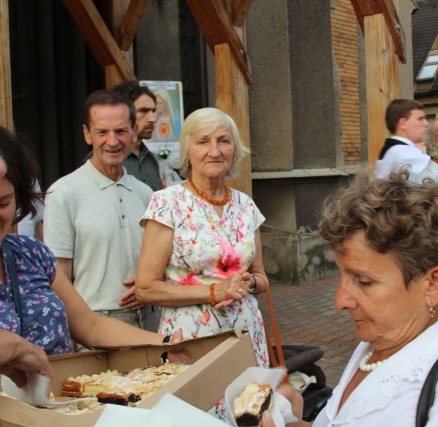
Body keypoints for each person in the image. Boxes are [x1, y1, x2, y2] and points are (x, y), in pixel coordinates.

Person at [265, 170, 438, 426]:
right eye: (343, 276)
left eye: (364, 281)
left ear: (434, 283)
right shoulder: (376, 345)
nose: (340, 302)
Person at [0, 127, 182, 359]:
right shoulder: (67, 191)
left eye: (2, 203)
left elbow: (91, 327)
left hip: (59, 392)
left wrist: (166, 343)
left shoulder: (30, 254)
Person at [135, 108, 270, 368]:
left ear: (234, 150)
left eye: (223, 141)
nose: (215, 151)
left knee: (250, 405)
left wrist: (248, 281)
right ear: (187, 151)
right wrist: (213, 291)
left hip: (246, 336)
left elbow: (262, 279)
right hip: (192, 340)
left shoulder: (246, 206)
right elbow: (145, 288)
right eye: (202, 141)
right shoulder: (167, 203)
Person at [44, 91, 154, 332]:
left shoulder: (146, 194)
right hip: (95, 322)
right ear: (87, 134)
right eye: (102, 132)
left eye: (121, 131)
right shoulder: (62, 193)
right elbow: (58, 275)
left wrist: (149, 284)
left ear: (134, 132)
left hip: (151, 316)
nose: (112, 141)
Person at [373, 99, 429, 181]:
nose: (426, 124)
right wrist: (429, 153)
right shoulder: (404, 153)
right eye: (420, 119)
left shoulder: (394, 150)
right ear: (403, 123)